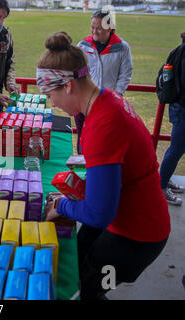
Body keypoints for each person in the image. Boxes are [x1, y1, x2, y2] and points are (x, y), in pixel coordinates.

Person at [38, 32, 170, 300]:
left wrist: (61, 206)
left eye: (50, 94)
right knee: (78, 262)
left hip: (138, 233)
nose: (52, 103)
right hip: (131, 213)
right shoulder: (105, 100)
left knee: (85, 290)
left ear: (68, 86)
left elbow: (99, 214)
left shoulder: (104, 125)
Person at [75, 9, 133, 152]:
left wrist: (115, 96)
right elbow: (75, 71)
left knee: (103, 140)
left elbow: (125, 74)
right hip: (84, 103)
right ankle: (83, 169)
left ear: (110, 28)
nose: (94, 31)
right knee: (83, 138)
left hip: (108, 104)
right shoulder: (82, 46)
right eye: (92, 27)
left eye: (99, 28)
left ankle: (98, 171)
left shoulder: (122, 48)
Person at [159, 31, 185, 206]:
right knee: (176, 150)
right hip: (183, 108)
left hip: (179, 106)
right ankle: (161, 186)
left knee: (176, 150)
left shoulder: (179, 49)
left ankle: (164, 179)